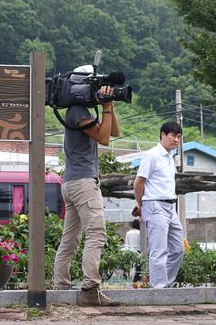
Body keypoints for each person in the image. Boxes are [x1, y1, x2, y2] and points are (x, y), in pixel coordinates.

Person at [52, 84, 120, 307]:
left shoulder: (83, 111)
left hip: (72, 182)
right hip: (83, 184)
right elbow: (104, 139)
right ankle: (91, 289)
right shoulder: (77, 111)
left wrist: (110, 105)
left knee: (70, 239)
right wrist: (107, 106)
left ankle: (60, 288)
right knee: (97, 234)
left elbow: (114, 132)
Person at [132, 121, 184, 288]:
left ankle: (164, 286)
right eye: (173, 136)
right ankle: (158, 290)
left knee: (178, 249)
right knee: (158, 250)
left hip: (170, 206)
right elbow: (138, 183)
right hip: (154, 205)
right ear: (163, 134)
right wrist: (141, 205)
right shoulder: (152, 155)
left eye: (179, 137)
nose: (176, 140)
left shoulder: (170, 157)